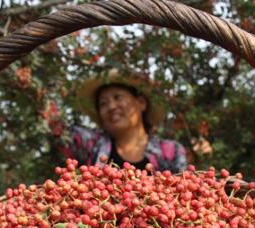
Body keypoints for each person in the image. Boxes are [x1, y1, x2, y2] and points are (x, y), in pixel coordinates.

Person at [49, 69, 187, 173]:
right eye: (103, 104)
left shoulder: (171, 151)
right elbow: (58, 128)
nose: (111, 107)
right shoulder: (92, 144)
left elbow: (183, 196)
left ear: (141, 103)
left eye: (118, 97)